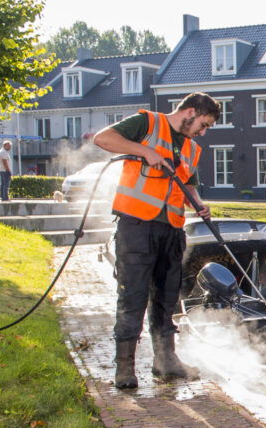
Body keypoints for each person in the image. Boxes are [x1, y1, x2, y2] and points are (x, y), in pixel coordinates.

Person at [93, 92, 219, 389]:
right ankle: (125, 367)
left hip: (172, 230)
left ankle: (166, 360)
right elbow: (103, 138)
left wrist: (198, 204)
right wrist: (144, 151)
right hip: (137, 226)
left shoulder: (190, 148)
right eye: (203, 124)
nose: (203, 132)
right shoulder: (147, 123)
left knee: (166, 298)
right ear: (189, 111)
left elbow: (187, 183)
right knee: (133, 295)